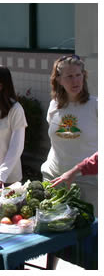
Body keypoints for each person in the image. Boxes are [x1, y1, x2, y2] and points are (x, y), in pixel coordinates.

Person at [40, 55, 98, 216]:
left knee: (86, 235)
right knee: (55, 229)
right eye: (69, 76)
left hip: (88, 182)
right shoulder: (54, 106)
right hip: (54, 178)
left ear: (84, 76)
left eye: (78, 75)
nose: (75, 81)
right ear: (58, 79)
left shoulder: (96, 106)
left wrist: (77, 171)